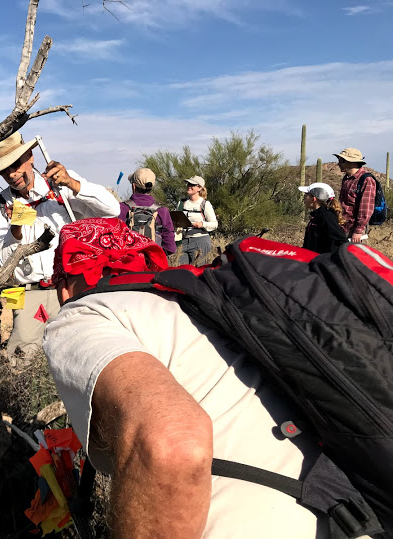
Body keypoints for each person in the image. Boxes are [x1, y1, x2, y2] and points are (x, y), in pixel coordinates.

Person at [43, 218, 330, 537]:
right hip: (342, 504)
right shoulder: (192, 298)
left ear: (63, 287)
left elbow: (172, 441)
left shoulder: (81, 316)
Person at [0, 132, 120, 358]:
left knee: (79, 355)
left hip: (71, 287)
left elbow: (111, 210)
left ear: (30, 156)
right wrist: (15, 229)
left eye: (15, 164)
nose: (12, 174)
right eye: (4, 170)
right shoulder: (0, 204)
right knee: (22, 359)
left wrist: (72, 183)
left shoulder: (59, 184)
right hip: (29, 294)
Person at [117, 167, 176, 255]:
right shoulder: (162, 211)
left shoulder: (121, 208)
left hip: (128, 262)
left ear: (133, 186)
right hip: (153, 263)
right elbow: (170, 248)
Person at [335, 148, 375, 243]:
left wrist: (358, 230)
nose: (338, 163)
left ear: (352, 162)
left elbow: (366, 208)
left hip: (355, 232)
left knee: (355, 257)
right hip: (343, 227)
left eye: (342, 160)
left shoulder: (366, 180)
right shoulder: (346, 178)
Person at [176, 176, 217, 265]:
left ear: (199, 188)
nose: (189, 186)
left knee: (199, 271)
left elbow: (214, 224)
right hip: (183, 241)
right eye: (188, 184)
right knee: (181, 271)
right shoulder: (181, 203)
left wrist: (202, 224)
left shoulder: (205, 204)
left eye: (192, 185)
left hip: (200, 240)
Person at [298, 183, 347, 254]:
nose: (304, 197)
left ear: (313, 199)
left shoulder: (326, 216)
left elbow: (340, 240)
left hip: (322, 262)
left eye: (306, 194)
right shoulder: (316, 216)